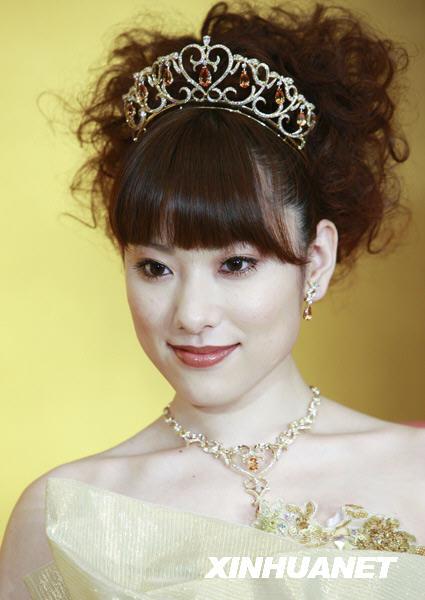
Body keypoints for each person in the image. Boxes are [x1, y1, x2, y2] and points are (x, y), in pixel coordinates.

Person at [1, 1, 424, 598]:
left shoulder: (417, 471)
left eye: (236, 264)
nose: (192, 315)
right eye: (155, 268)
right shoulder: (59, 517)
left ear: (316, 261)